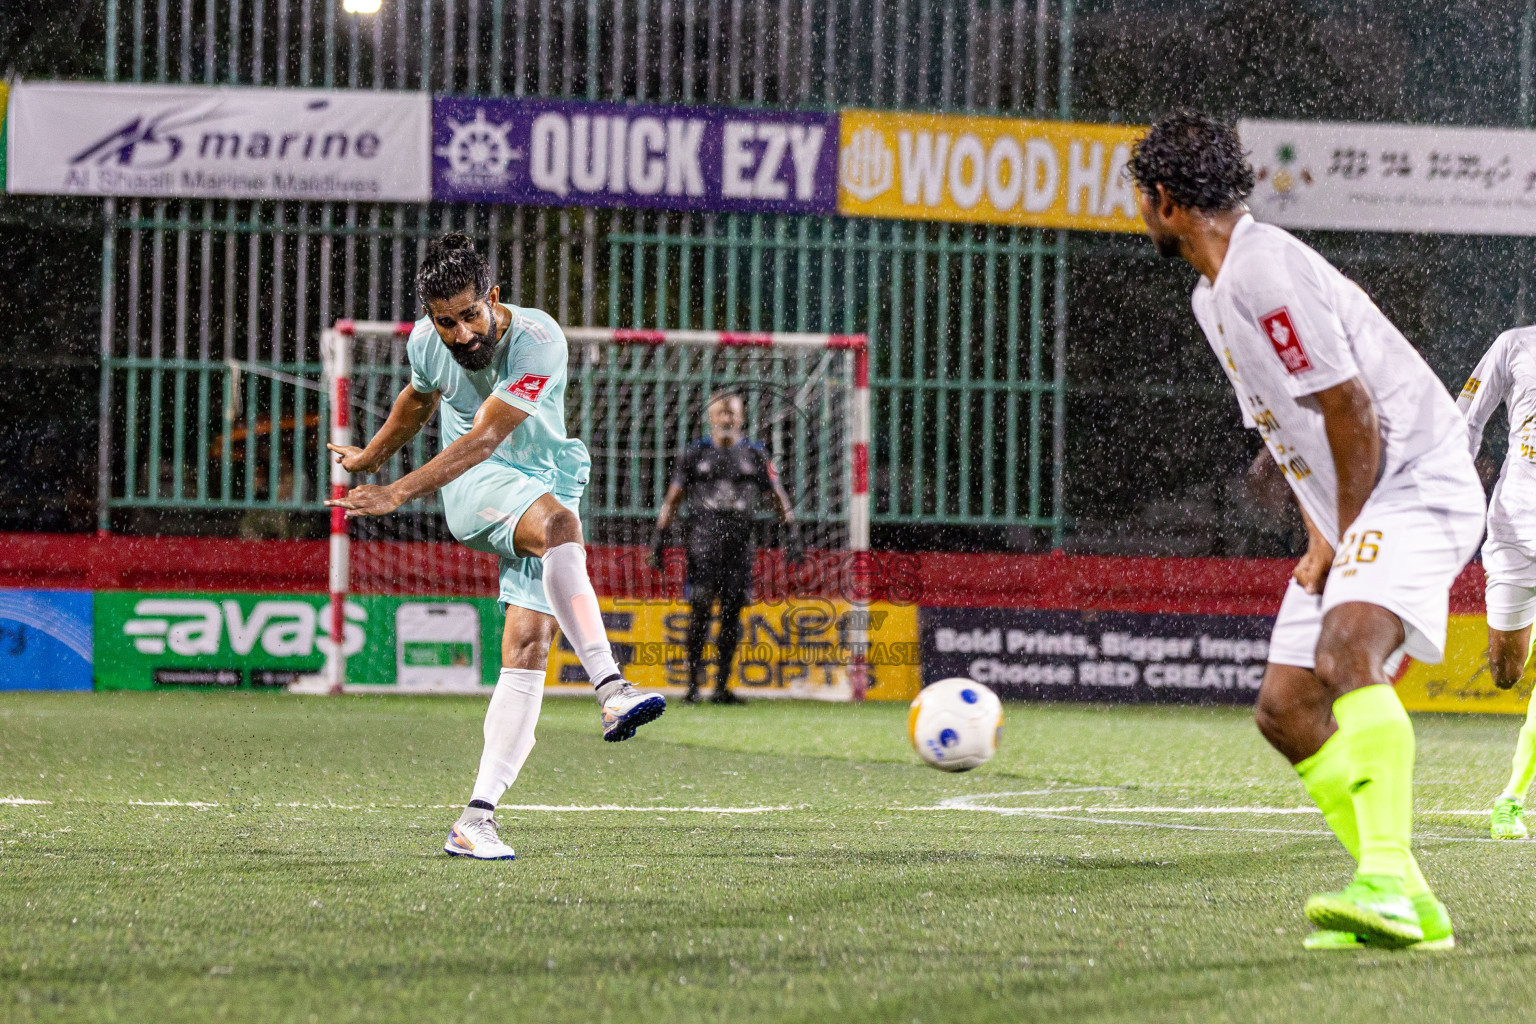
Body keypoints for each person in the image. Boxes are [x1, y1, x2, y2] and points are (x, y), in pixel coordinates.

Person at [1127, 111, 1485, 950]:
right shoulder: (1213, 296)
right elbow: (1289, 430)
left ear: (1166, 201)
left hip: (1419, 482)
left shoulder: (1262, 269)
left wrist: (1354, 536)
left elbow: (1349, 408)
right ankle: (1413, 902)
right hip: (1365, 504)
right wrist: (1325, 539)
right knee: (1287, 708)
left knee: (1344, 653)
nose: (1139, 211)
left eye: (1141, 198)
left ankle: (1386, 882)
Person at [326, 232, 666, 862]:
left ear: (494, 298)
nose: (460, 335)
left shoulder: (539, 340)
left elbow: (487, 434)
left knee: (530, 646)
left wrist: (395, 490)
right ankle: (612, 689)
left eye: (470, 315)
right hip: (476, 486)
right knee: (561, 529)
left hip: (545, 481)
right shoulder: (427, 342)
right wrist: (372, 460)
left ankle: (475, 819)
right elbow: (420, 401)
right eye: (445, 321)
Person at [648, 393, 803, 704]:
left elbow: (777, 496)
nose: (727, 418)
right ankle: (692, 686)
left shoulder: (756, 454)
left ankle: (721, 687)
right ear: (711, 418)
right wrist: (659, 539)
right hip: (703, 544)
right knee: (701, 608)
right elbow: (672, 499)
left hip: (740, 545)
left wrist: (792, 534)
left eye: (732, 412)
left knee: (733, 613)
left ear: (742, 417)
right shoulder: (695, 453)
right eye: (721, 412)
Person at [1457, 326, 1536, 839]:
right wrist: (1451, 487)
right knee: (1504, 671)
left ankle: (1512, 797)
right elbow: (1467, 418)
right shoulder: (1516, 344)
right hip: (1514, 528)